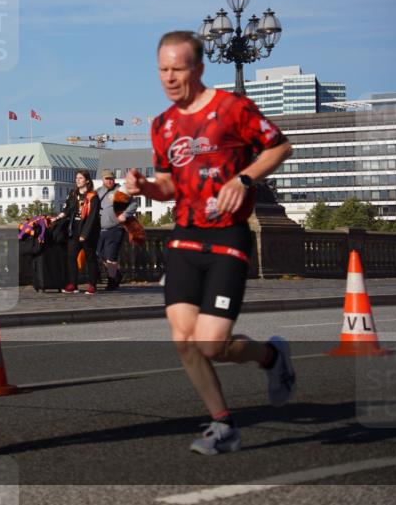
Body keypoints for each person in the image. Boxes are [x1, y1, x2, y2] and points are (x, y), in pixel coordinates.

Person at [125, 31, 296, 455]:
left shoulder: (231, 108)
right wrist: (146, 186)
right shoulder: (162, 124)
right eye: (162, 69)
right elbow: (168, 184)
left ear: (198, 68)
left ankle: (272, 358)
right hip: (185, 237)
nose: (168, 77)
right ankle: (223, 425)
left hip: (228, 238)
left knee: (212, 344)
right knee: (184, 340)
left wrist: (244, 178)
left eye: (177, 69)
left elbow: (280, 146)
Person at [52, 171, 100, 294]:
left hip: (88, 230)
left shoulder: (93, 196)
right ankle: (73, 284)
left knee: (90, 258)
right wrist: (57, 217)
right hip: (74, 229)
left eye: (80, 178)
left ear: (87, 181)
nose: (77, 180)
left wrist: (85, 234)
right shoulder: (73, 194)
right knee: (71, 257)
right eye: (76, 178)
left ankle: (92, 285)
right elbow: (67, 209)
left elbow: (92, 217)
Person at [96, 170, 138, 291]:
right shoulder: (99, 191)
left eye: (111, 179)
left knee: (111, 256)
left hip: (116, 228)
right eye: (107, 179)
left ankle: (112, 281)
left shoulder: (121, 190)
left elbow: (133, 204)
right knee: (99, 254)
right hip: (101, 229)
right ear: (103, 180)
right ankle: (115, 274)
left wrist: (125, 214)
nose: (109, 181)